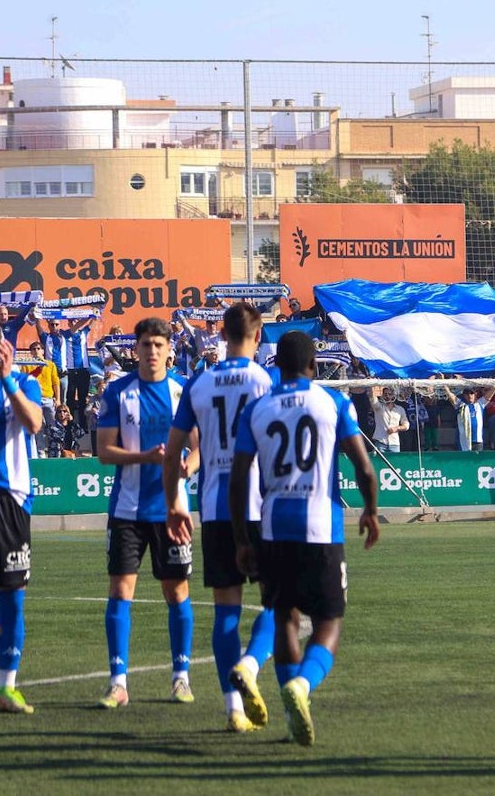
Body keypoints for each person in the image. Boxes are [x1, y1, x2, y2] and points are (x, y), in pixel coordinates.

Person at [229, 330, 379, 747]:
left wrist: (243, 538)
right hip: (321, 527)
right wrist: (369, 510)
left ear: (276, 365)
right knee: (329, 621)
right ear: (314, 367)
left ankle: (291, 710)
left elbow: (239, 479)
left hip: (274, 527)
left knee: (285, 618)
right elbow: (364, 467)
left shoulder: (258, 408)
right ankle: (303, 687)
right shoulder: (332, 401)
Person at [164, 304, 276, 733]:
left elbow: (174, 452)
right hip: (260, 506)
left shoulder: (199, 384)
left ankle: (233, 709)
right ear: (258, 333)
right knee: (277, 601)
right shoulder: (266, 381)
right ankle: (250, 665)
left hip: (215, 509)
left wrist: (175, 502)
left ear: (222, 334)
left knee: (225, 612)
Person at [95, 317, 196, 709]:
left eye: (158, 344)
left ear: (169, 349)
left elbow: (198, 446)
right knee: (120, 591)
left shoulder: (182, 392)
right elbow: (105, 451)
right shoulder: (118, 393)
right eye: (145, 344)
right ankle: (118, 682)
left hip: (173, 510)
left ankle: (180, 677)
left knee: (177, 591)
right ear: (135, 348)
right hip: (127, 510)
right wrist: (147, 457)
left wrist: (190, 465)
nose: (152, 351)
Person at [0, 312, 44, 713]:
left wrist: (5, 381)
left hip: (12, 501)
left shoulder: (25, 382)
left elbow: (33, 423)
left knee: (11, 600)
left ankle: (7, 687)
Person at [444, 382, 495, 452]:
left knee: (477, 462)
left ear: (475, 394)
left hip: (477, 441)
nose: (469, 395)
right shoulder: (460, 405)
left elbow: (492, 391)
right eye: (467, 394)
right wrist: (444, 382)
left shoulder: (480, 404)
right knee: (464, 462)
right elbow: (450, 395)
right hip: (464, 441)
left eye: (471, 393)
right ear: (464, 395)